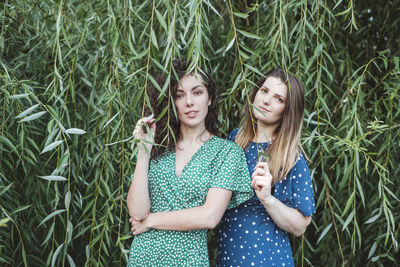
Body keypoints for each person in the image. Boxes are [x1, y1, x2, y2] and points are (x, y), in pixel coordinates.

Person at [126, 60, 253, 266]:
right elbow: (137, 212)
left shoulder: (227, 152)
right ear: (172, 102)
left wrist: (150, 221)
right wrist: (144, 151)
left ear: (210, 98)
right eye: (179, 95)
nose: (189, 102)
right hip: (144, 256)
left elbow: (209, 216)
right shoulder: (159, 148)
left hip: (189, 259)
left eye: (197, 92)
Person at [217, 69, 316, 266]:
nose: (266, 101)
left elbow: (301, 226)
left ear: (288, 110)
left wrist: (268, 199)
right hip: (229, 254)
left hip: (266, 257)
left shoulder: (291, 157)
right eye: (264, 91)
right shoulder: (235, 139)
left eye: (278, 99)